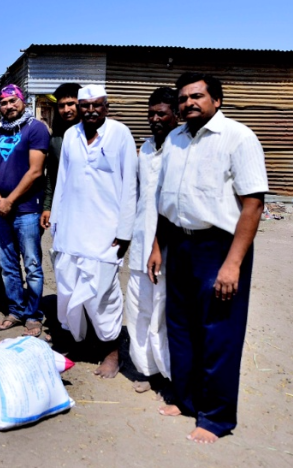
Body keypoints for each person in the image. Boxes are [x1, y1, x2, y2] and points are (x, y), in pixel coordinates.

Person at [152, 72, 268, 444]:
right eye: (184, 98)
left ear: (216, 100)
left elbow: (253, 205)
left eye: (197, 96)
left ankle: (216, 418)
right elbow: (165, 200)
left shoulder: (238, 137)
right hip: (180, 244)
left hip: (219, 247)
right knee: (181, 328)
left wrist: (232, 263)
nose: (189, 103)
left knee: (219, 331)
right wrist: (158, 246)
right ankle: (187, 402)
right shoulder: (174, 138)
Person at [51, 85, 138, 375]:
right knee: (68, 289)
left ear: (106, 107)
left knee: (102, 294)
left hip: (105, 232)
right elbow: (62, 181)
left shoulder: (120, 134)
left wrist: (125, 231)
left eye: (96, 105)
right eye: (85, 105)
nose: (90, 110)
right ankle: (75, 342)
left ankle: (111, 352)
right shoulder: (71, 136)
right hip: (71, 231)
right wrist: (57, 222)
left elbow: (129, 187)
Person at [125, 87, 180, 393]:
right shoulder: (145, 149)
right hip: (140, 242)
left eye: (162, 113)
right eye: (151, 113)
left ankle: (168, 372)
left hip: (168, 246)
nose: (155, 119)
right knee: (137, 306)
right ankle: (146, 368)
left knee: (162, 309)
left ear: (177, 115)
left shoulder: (181, 148)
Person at [0, 84, 49, 337]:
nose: (8, 106)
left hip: (26, 210)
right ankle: (15, 311)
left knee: (32, 265)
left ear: (23, 101)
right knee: (8, 264)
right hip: (2, 209)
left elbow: (35, 171)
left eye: (13, 101)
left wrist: (10, 200)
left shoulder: (35, 129)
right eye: (3, 103)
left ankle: (34, 315)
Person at [40, 82, 83, 230]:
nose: (66, 109)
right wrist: (47, 207)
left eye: (71, 104)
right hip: (65, 206)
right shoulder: (56, 139)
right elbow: (52, 175)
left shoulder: (97, 135)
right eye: (61, 105)